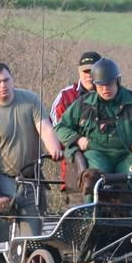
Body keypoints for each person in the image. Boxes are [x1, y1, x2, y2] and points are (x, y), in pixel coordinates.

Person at [0, 62, 63, 243]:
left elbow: (44, 128)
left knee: (34, 241)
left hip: (30, 179)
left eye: (6, 80)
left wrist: (54, 148)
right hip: (2, 180)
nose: (3, 85)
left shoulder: (31, 100)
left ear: (12, 80)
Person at [55, 57, 132, 209]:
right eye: (101, 85)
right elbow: (61, 127)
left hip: (128, 155)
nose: (105, 89)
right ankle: (90, 222)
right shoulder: (83, 104)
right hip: (97, 153)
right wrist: (77, 139)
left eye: (109, 84)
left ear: (117, 81)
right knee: (94, 180)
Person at [50, 51, 102, 191]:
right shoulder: (66, 96)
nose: (89, 76)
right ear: (79, 72)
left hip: (105, 162)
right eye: (85, 71)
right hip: (74, 167)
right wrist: (78, 141)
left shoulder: (111, 95)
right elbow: (56, 130)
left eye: (93, 71)